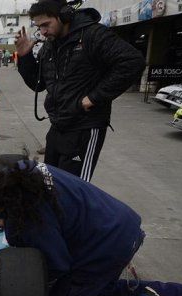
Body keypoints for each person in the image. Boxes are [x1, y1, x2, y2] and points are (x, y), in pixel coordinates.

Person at [0, 160, 182, 296]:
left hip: (108, 246)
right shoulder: (21, 175)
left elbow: (57, 265)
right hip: (120, 226)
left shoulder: (30, 217)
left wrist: (17, 288)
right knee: (99, 291)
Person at [15, 0, 145, 181]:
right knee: (49, 185)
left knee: (73, 191)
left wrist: (94, 97)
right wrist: (25, 57)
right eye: (39, 27)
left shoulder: (93, 34)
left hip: (85, 127)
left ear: (64, 16)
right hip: (57, 127)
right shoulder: (50, 45)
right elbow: (38, 84)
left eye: (46, 25)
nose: (43, 32)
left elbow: (132, 62)